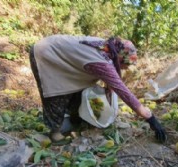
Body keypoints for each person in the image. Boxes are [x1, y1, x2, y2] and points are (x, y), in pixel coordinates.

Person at [29, 35, 167, 143]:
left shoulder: (107, 47)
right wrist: (150, 118)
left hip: (59, 51)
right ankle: (55, 133)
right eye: (125, 65)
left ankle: (75, 119)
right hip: (46, 53)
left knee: (79, 89)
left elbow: (112, 84)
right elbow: (122, 90)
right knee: (57, 91)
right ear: (120, 59)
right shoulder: (102, 62)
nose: (125, 68)